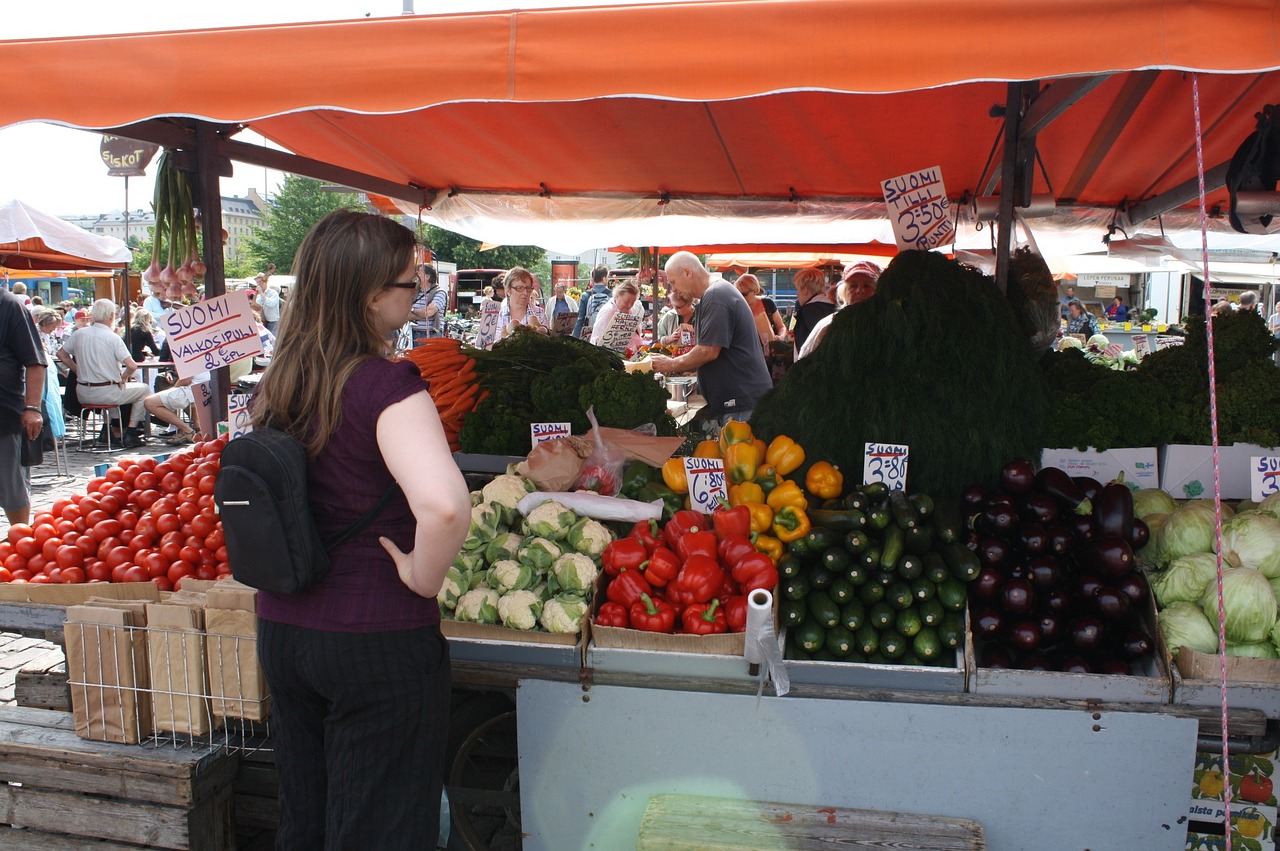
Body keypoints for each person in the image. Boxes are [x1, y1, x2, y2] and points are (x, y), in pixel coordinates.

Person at [250, 209, 470, 850]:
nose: (417, 292)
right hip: (375, 641)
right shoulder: (386, 384)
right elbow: (446, 507)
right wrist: (422, 577)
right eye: (411, 283)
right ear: (371, 295)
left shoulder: (281, 379)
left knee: (309, 820)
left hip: (285, 631)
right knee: (378, 827)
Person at [651, 252, 773, 423]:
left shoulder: (716, 296)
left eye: (673, 282)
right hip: (741, 399)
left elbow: (708, 351)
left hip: (742, 402)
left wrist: (670, 364)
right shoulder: (714, 294)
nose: (673, 289)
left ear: (687, 272)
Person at [56, 298, 150, 449]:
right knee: (143, 389)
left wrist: (76, 370)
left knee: (114, 387)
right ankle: (131, 432)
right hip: (107, 393)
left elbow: (61, 354)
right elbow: (132, 366)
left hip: (83, 392)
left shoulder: (79, 334)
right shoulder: (113, 338)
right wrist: (124, 377)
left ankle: (108, 431)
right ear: (112, 316)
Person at [0, 287, 47, 526]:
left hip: (4, 416)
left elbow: (35, 361)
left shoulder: (8, 304)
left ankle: (19, 544)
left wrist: (33, 408)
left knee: (12, 489)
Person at [798, 260, 882, 359]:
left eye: (867, 286)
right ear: (844, 292)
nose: (860, 290)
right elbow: (805, 363)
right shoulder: (828, 325)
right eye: (853, 286)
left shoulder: (889, 324)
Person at [142, 370, 206, 446]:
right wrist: (169, 372)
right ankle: (197, 428)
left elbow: (186, 379)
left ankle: (187, 431)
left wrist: (173, 388)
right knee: (162, 380)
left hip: (191, 389)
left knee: (149, 402)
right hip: (202, 387)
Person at [790, 266, 835, 359]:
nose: (797, 294)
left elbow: (805, 347)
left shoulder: (806, 312)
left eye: (798, 289)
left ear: (805, 290)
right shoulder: (834, 307)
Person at [494, 267, 549, 342]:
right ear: (508, 290)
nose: (525, 293)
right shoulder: (496, 315)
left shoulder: (540, 314)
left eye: (528, 288)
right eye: (520, 288)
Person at [590, 278, 644, 352]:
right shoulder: (608, 312)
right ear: (617, 296)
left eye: (632, 303)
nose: (629, 306)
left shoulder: (630, 311)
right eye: (626, 301)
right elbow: (596, 341)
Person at [732, 273, 777, 351]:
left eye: (744, 294)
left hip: (769, 351)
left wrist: (780, 337)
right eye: (737, 294)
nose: (741, 297)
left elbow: (781, 326)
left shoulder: (767, 303)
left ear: (755, 291)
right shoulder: (735, 307)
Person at [409, 264, 447, 343]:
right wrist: (420, 314)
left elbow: (428, 312)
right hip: (413, 336)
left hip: (432, 337)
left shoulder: (440, 293)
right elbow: (405, 315)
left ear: (427, 277)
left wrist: (412, 310)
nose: (416, 274)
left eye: (419, 272)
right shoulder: (415, 293)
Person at [573, 264, 612, 340]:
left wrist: (575, 338)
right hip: (605, 335)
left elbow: (580, 319)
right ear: (604, 278)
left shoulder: (585, 295)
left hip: (589, 335)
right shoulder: (611, 295)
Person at [255, 271, 282, 335]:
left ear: (265, 282)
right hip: (263, 322)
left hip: (273, 322)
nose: (258, 284)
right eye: (257, 282)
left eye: (260, 282)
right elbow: (257, 305)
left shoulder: (273, 293)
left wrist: (261, 294)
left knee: (273, 341)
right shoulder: (259, 295)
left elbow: (271, 304)